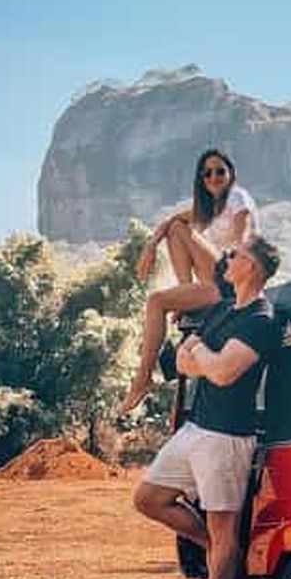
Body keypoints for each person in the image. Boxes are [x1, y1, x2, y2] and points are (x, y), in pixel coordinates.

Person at [131, 234, 280, 579]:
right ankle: (216, 552)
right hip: (196, 428)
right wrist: (200, 354)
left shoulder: (261, 320)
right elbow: (182, 361)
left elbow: (223, 373)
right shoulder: (223, 311)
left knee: (225, 527)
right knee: (148, 498)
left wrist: (200, 354)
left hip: (227, 438)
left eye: (236, 255)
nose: (227, 258)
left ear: (252, 268)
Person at [119, 148, 259, 415]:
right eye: (207, 173)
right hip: (217, 277)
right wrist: (150, 246)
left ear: (230, 174)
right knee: (175, 229)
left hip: (234, 276)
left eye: (220, 171)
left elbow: (243, 240)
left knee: (156, 301)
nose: (214, 177)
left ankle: (142, 378)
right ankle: (186, 295)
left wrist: (237, 272)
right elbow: (169, 222)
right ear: (201, 180)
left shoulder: (237, 197)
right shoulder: (208, 208)